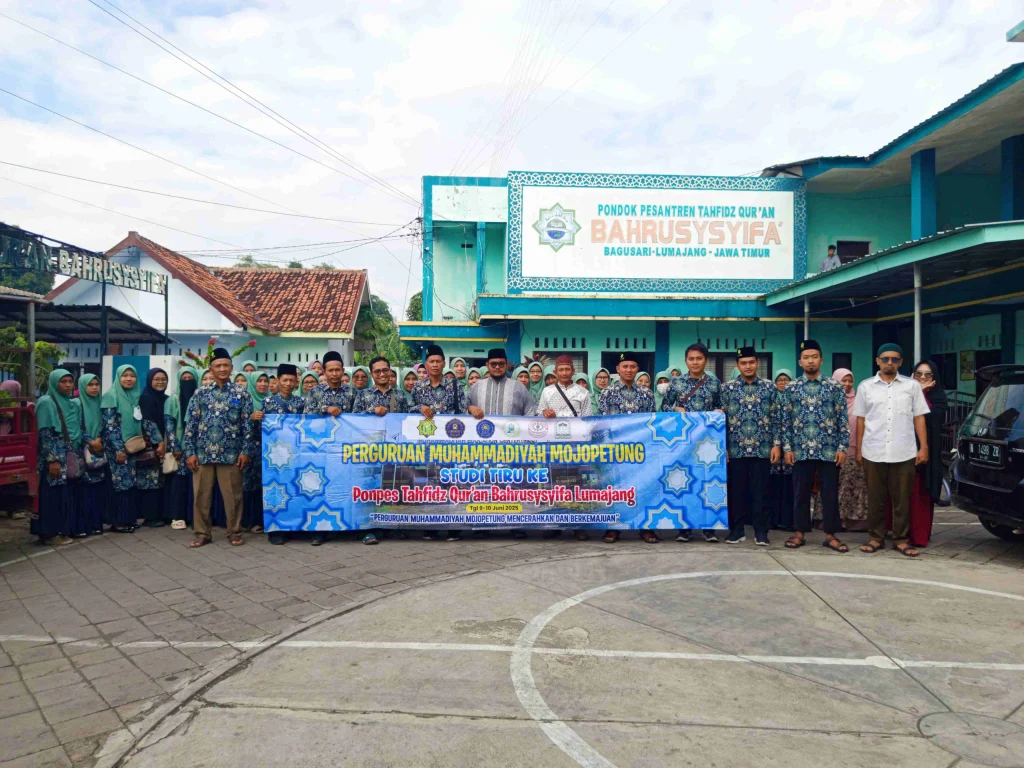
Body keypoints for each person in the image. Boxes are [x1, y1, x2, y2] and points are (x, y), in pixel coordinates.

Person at [853, 343, 930, 557]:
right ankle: (876, 538)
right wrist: (859, 450)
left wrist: (923, 447)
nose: (889, 363)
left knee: (901, 499)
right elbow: (861, 420)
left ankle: (901, 539)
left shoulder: (911, 386)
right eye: (885, 359)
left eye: (894, 359)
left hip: (904, 451)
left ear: (901, 363)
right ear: (877, 360)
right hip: (873, 450)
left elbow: (919, 417)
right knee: (875, 498)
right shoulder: (866, 386)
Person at [184, 347, 256, 548]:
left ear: (232, 368)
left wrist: (245, 451)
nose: (222, 369)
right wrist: (189, 452)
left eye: (226, 365)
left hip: (231, 454)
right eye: (218, 366)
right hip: (203, 454)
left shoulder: (241, 393)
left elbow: (247, 426)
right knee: (201, 496)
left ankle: (234, 532)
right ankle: (202, 533)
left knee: (233, 496)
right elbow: (192, 424)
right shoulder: (201, 393)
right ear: (211, 369)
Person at [783, 340, 850, 553]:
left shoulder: (834, 387)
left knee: (830, 493)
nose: (810, 360)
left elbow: (842, 418)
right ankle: (799, 533)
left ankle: (830, 535)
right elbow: (785, 420)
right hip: (800, 449)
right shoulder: (792, 388)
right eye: (806, 357)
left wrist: (842, 447)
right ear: (800, 361)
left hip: (829, 449)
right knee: (800, 492)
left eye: (814, 356)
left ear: (821, 360)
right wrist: (787, 447)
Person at [464, 348, 536, 541]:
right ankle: (482, 523)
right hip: (482, 448)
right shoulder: (476, 387)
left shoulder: (519, 387)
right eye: (493, 364)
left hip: (512, 448)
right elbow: (463, 410)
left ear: (507, 365)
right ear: (487, 365)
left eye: (501, 364)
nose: (497, 367)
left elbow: (530, 412)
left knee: (512, 485)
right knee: (483, 484)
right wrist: (470, 407)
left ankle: (516, 525)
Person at [721, 347, 784, 546]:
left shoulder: (769, 388)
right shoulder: (728, 389)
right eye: (743, 363)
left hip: (762, 448)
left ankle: (761, 532)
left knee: (761, 491)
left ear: (757, 363)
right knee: (736, 491)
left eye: (751, 362)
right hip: (736, 449)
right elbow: (721, 420)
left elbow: (777, 418)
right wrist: (724, 447)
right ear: (737, 365)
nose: (747, 366)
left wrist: (776, 445)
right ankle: (736, 530)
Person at [662, 342, 723, 543]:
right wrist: (674, 409)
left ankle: (709, 527)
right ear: (686, 361)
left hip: (707, 444)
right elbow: (663, 408)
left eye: (699, 358)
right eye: (691, 359)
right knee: (682, 483)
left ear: (705, 360)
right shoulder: (676, 383)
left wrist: (719, 413)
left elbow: (720, 408)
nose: (694, 362)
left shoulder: (714, 384)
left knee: (708, 482)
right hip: (681, 443)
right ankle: (684, 528)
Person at [599, 352, 658, 544]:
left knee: (643, 487)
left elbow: (653, 422)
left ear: (637, 369)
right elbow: (601, 422)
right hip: (615, 451)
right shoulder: (607, 392)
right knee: (615, 488)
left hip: (640, 451)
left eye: (633, 366)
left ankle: (645, 527)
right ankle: (614, 527)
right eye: (625, 366)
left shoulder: (646, 393)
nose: (629, 370)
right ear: (617, 369)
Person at [352, 356, 409, 545]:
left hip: (394, 451)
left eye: (385, 370)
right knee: (370, 490)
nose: (382, 374)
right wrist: (371, 410)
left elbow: (408, 419)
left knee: (392, 489)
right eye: (378, 371)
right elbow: (353, 420)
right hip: (370, 452)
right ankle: (370, 530)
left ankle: (394, 527)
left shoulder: (400, 395)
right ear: (372, 374)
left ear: (390, 371)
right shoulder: (363, 395)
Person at [412, 344, 467, 541]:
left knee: (451, 482)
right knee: (430, 483)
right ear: (426, 364)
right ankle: (431, 525)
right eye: (431, 361)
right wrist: (419, 407)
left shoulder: (454, 385)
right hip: (427, 446)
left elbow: (463, 412)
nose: (435, 365)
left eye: (438, 361)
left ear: (444, 363)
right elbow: (408, 411)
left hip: (451, 445)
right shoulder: (418, 387)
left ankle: (453, 526)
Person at [538, 355, 592, 541]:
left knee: (576, 483)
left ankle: (578, 526)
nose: (564, 373)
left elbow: (588, 419)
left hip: (575, 445)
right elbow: (539, 414)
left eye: (567, 369)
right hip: (553, 444)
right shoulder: (547, 392)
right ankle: (555, 524)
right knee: (555, 483)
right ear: (555, 372)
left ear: (573, 371)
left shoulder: (583, 393)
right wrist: (544, 413)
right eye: (560, 370)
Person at [304, 350, 354, 545]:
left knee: (345, 487)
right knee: (320, 489)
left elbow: (359, 418)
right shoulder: (315, 393)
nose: (334, 373)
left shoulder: (352, 393)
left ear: (343, 371)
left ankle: (347, 527)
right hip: (320, 450)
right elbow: (306, 416)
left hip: (346, 451)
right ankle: (319, 530)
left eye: (338, 369)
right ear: (323, 371)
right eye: (330, 370)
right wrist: (325, 410)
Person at [102, 364, 155, 534]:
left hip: (132, 447)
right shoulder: (111, 396)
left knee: (129, 484)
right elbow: (110, 426)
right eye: (125, 375)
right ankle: (118, 522)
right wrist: (119, 449)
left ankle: (128, 519)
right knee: (120, 485)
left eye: (132, 376)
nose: (128, 379)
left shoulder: (134, 396)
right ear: (118, 377)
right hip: (118, 449)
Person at [33, 369, 80, 545]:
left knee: (58, 495)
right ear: (54, 383)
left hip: (62, 456)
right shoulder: (47, 402)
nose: (68, 385)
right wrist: (52, 460)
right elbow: (45, 433)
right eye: (63, 381)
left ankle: (53, 531)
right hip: (52, 459)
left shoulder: (66, 402)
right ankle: (49, 534)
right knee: (50, 496)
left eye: (70, 381)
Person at [263, 364, 306, 545]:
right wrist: (256, 418)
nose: (288, 383)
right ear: (278, 381)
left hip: (298, 454)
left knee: (297, 489)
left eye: (292, 380)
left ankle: (296, 526)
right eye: (285, 380)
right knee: (275, 489)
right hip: (275, 456)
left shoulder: (301, 403)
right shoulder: (267, 403)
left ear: (297, 382)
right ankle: (276, 528)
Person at [907, 360, 946, 547]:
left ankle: (920, 535)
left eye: (927, 374)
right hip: (904, 451)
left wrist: (920, 393)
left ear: (934, 378)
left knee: (921, 494)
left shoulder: (938, 398)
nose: (922, 378)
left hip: (926, 454)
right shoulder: (903, 394)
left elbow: (930, 419)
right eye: (918, 373)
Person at [830, 367, 868, 532]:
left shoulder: (859, 400)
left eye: (849, 380)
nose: (846, 384)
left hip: (854, 450)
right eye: (842, 380)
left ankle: (855, 521)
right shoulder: (829, 399)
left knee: (854, 485)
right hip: (831, 453)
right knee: (835, 486)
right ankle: (832, 520)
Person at [164, 367, 199, 531]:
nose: (187, 381)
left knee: (196, 484)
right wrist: (175, 446)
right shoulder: (173, 399)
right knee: (179, 484)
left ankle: (193, 516)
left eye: (190, 378)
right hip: (181, 450)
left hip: (198, 449)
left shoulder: (200, 397)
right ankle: (177, 516)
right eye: (183, 378)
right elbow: (170, 425)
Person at [137, 368, 170, 527]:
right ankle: (150, 516)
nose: (160, 382)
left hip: (164, 443)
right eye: (156, 379)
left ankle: (159, 514)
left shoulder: (166, 399)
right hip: (150, 446)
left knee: (159, 481)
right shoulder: (145, 398)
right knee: (149, 481)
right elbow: (147, 422)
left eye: (163, 379)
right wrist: (159, 443)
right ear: (150, 380)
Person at [75, 374, 106, 536]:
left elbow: (103, 424)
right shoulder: (77, 404)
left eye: (96, 384)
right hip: (82, 452)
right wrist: (90, 441)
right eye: (90, 385)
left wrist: (99, 439)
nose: (94, 387)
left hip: (98, 451)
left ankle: (96, 523)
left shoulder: (100, 403)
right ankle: (83, 526)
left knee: (97, 490)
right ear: (82, 386)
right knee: (84, 491)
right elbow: (76, 427)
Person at [242, 371, 270, 533]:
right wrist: (250, 417)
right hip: (249, 450)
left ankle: (261, 521)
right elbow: (236, 423)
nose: (263, 384)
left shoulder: (270, 401)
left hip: (266, 450)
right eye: (259, 381)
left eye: (265, 381)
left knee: (263, 486)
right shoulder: (246, 401)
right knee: (248, 486)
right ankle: (247, 521)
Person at [768, 369, 796, 531]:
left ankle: (789, 520)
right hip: (772, 448)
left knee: (790, 486)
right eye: (780, 380)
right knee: (772, 485)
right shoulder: (771, 398)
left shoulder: (794, 398)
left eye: (786, 379)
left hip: (791, 449)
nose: (783, 383)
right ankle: (773, 520)